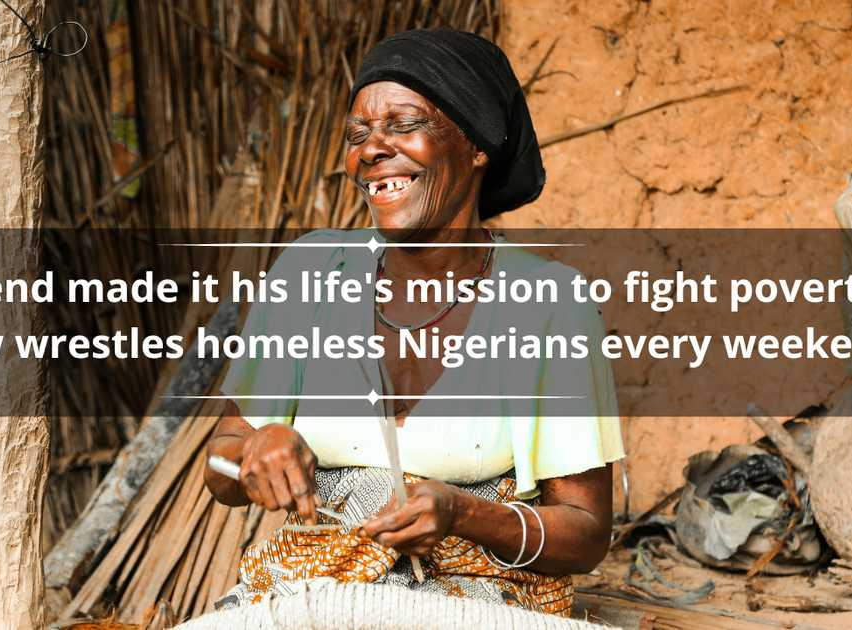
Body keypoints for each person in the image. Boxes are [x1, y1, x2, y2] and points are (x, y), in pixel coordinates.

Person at [205, 28, 622, 618]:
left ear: (478, 145)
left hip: (479, 602)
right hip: (313, 593)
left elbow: (586, 532)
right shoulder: (309, 271)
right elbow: (218, 465)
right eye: (358, 133)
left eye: (403, 125)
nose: (371, 149)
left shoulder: (550, 304)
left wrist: (465, 513)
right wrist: (254, 447)